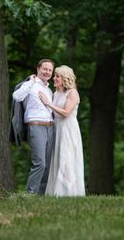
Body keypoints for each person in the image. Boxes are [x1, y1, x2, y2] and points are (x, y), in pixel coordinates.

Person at [38, 65, 85, 196]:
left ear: (65, 78)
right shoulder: (55, 93)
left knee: (67, 158)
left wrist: (48, 103)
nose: (54, 78)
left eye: (57, 76)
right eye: (55, 76)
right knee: (57, 158)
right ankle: (55, 192)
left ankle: (68, 192)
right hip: (57, 128)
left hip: (68, 129)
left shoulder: (73, 93)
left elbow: (66, 113)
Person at [12, 59, 55, 194]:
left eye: (50, 70)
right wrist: (31, 81)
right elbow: (17, 97)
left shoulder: (48, 90)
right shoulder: (29, 85)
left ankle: (41, 195)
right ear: (38, 69)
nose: (47, 72)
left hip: (50, 127)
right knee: (40, 162)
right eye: (45, 69)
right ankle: (31, 194)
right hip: (36, 126)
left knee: (48, 164)